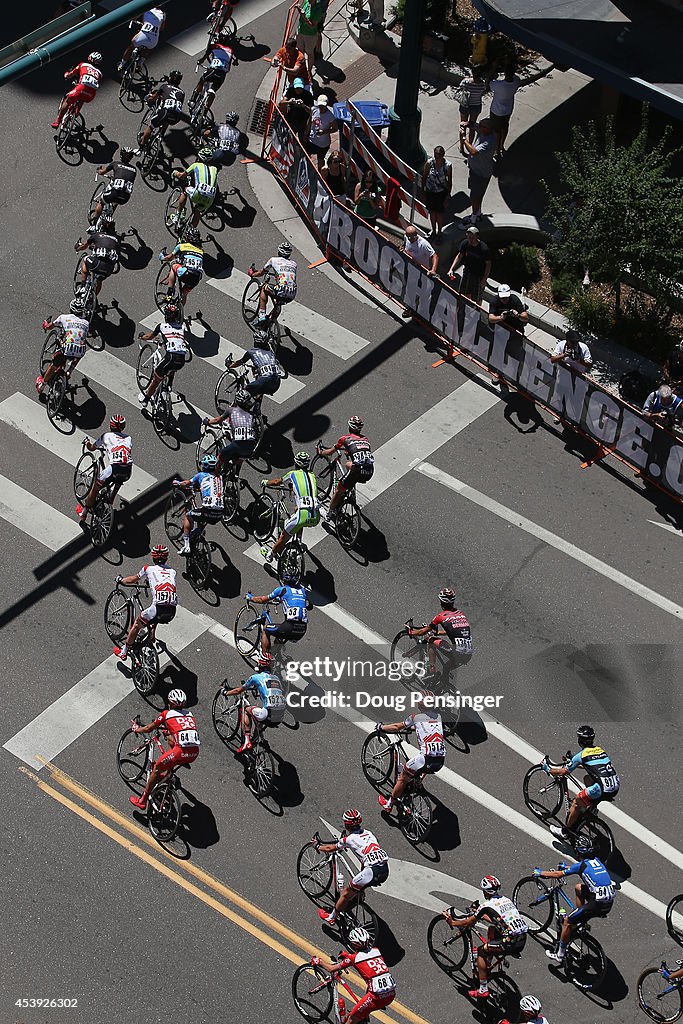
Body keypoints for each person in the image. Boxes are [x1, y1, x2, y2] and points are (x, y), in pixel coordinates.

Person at [442, 876, 527, 999]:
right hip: (522, 939)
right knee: (492, 930)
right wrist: (480, 915)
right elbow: (498, 920)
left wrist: (452, 923)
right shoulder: (506, 900)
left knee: (481, 952)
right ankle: (488, 962)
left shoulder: (486, 905)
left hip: (509, 942)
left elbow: (468, 923)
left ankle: (483, 989)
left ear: (485, 891)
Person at [535, 840, 615, 963]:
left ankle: (559, 955)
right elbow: (578, 868)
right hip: (608, 901)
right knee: (579, 888)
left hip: (597, 904)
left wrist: (540, 873)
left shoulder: (581, 865)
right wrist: (567, 867)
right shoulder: (596, 861)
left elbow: (557, 875)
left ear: (579, 853)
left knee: (567, 922)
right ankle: (580, 922)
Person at [128, 688, 199, 811]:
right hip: (194, 753)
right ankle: (167, 775)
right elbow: (176, 734)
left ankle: (142, 801)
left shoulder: (167, 714)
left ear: (170, 703)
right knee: (171, 747)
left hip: (180, 752)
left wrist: (136, 729)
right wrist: (167, 732)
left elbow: (149, 728)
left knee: (156, 768)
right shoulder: (190, 715)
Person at [546, 725, 620, 842]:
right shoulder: (600, 750)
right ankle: (591, 807)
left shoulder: (582, 755)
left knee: (576, 802)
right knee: (587, 778)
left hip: (600, 788)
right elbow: (588, 765)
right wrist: (573, 762)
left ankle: (565, 832)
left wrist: (548, 769)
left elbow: (563, 772)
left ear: (580, 740)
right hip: (614, 786)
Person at [316, 810, 389, 926]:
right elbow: (365, 858)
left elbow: (331, 848)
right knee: (359, 883)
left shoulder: (348, 839)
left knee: (345, 893)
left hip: (371, 872)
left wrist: (318, 846)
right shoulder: (369, 833)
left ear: (346, 824)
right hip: (384, 870)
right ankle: (358, 894)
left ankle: (332, 917)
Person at [377, 692, 445, 813]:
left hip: (425, 759)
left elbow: (397, 727)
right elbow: (426, 726)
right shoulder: (438, 717)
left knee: (403, 777)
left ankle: (389, 803)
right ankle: (415, 784)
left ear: (419, 704)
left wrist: (381, 728)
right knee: (417, 770)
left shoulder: (415, 718)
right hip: (440, 761)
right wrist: (414, 728)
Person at [311, 928, 396, 1024]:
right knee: (370, 986)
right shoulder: (376, 951)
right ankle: (363, 1015)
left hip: (376, 997)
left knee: (351, 1019)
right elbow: (366, 960)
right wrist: (347, 956)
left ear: (353, 944)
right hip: (391, 994)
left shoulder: (354, 958)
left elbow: (331, 969)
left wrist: (319, 961)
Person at [113, 544, 177, 660]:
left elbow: (133, 579)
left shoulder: (148, 569)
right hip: (172, 612)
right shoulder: (172, 572)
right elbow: (161, 578)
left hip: (157, 609)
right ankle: (151, 635)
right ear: (166, 558)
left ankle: (124, 651)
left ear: (153, 558)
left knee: (137, 625)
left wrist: (121, 580)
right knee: (157, 613)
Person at [259, 451, 320, 563]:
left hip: (302, 516)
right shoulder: (312, 476)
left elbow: (278, 481)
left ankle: (270, 555)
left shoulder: (293, 474)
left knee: (284, 537)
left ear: (296, 464)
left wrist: (267, 482)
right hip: (316, 517)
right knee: (298, 511)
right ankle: (298, 541)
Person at [220, 652, 286, 753]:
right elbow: (272, 692)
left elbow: (239, 691)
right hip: (280, 715)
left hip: (268, 713)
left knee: (247, 709)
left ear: (259, 665)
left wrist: (225, 693)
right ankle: (255, 739)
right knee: (259, 716)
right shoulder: (276, 679)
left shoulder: (256, 677)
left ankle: (247, 741)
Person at [403, 587, 472, 676]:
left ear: (441, 602)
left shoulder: (441, 616)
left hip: (457, 653)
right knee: (446, 668)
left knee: (431, 640)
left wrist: (410, 632)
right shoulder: (461, 615)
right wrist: (438, 633)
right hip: (468, 655)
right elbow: (454, 631)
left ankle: (432, 671)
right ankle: (443, 686)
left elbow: (423, 632)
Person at [76, 414, 132, 525]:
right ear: (123, 427)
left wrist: (87, 442)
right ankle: (111, 498)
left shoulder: (106, 436)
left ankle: (84, 512)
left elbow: (92, 448)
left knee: (95, 488)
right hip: (128, 471)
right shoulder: (129, 439)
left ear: (110, 426)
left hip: (114, 468)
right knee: (120, 476)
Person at [317, 416, 374, 521]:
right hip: (369, 471)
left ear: (349, 427)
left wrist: (320, 452)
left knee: (339, 489)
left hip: (356, 471)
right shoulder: (366, 440)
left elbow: (330, 452)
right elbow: (360, 452)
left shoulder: (345, 439)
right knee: (348, 463)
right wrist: (349, 451)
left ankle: (329, 514)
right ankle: (351, 490)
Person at [137, 302, 188, 406]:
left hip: (170, 358)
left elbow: (150, 337)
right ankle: (169, 385)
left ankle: (145, 399)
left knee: (156, 380)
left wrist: (142, 336)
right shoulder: (182, 327)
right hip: (182, 359)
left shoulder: (162, 326)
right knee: (173, 367)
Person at [172, 455, 225, 556]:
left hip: (208, 513)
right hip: (219, 515)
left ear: (204, 466)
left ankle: (186, 546)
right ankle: (198, 532)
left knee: (188, 516)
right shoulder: (219, 477)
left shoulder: (201, 475)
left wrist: (178, 483)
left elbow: (187, 483)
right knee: (200, 513)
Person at [246, 578, 309, 654]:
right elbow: (308, 606)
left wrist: (251, 598)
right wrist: (281, 599)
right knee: (279, 635)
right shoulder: (303, 591)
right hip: (302, 630)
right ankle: (275, 653)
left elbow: (263, 599)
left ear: (283, 580)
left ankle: (264, 660)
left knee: (266, 630)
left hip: (289, 627)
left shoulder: (282, 590)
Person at [36, 311, 90, 396]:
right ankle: (69, 371)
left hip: (68, 347)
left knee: (55, 363)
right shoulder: (86, 323)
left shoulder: (64, 317)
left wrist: (45, 326)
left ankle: (42, 385)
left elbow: (49, 326)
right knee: (78, 352)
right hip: (80, 350)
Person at [205, 388, 257, 475]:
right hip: (251, 446)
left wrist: (207, 421)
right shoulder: (250, 416)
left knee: (220, 458)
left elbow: (218, 420)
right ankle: (236, 474)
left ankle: (214, 477)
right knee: (240, 457)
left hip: (238, 444)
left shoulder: (231, 410)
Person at [225, 328, 281, 401]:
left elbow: (240, 362)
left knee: (242, 395)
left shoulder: (252, 352)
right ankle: (257, 407)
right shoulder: (271, 353)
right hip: (276, 383)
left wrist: (230, 365)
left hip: (265, 381)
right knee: (260, 382)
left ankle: (237, 410)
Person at [51, 52, 102, 129]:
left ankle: (57, 121)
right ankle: (76, 112)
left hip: (81, 88)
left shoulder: (83, 65)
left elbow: (71, 74)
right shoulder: (100, 73)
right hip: (91, 95)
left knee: (68, 100)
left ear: (89, 58)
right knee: (82, 98)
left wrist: (66, 75)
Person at [251, 241, 298, 323]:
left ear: (278, 252)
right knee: (278, 302)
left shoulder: (273, 260)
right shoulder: (294, 264)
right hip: (292, 293)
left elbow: (261, 273)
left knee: (264, 288)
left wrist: (252, 274)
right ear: (289, 254)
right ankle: (270, 324)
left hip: (280, 289)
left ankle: (262, 316)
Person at [139, 70, 184, 150]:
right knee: (168, 118)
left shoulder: (164, 86)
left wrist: (147, 99)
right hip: (176, 117)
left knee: (151, 127)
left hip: (165, 113)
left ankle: (141, 147)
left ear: (170, 78)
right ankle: (161, 134)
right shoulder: (182, 93)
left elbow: (153, 98)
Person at [190, 32, 235, 114]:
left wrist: (200, 61)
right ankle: (205, 112)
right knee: (212, 91)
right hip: (222, 75)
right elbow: (228, 68)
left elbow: (203, 58)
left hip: (213, 70)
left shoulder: (214, 46)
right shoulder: (231, 51)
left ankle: (193, 100)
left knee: (202, 80)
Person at [74, 220, 120, 299]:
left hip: (97, 264)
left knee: (85, 259)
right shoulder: (116, 239)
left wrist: (78, 249)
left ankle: (83, 286)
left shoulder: (97, 235)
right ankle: (92, 298)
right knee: (99, 280)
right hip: (109, 268)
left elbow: (84, 246)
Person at [461, 118, 495, 224]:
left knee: (475, 196)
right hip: (475, 170)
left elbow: (473, 151)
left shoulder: (489, 141)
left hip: (481, 174)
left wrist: (464, 138)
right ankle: (478, 213)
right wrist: (465, 124)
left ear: (487, 129)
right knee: (476, 195)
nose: (479, 127)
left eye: (482, 126)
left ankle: (473, 219)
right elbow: (474, 125)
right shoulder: (483, 130)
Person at [173, 152, 218, 229]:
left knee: (185, 191)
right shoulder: (215, 169)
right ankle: (190, 231)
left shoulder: (196, 165)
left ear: (199, 158)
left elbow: (181, 176)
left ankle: (177, 214)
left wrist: (175, 173)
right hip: (210, 199)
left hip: (198, 194)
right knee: (197, 212)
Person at [159, 227, 204, 306]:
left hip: (186, 273)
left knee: (173, 266)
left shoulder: (182, 246)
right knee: (184, 293)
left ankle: (169, 294)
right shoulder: (201, 251)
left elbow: (169, 258)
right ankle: (179, 312)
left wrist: (162, 257)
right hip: (197, 277)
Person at [400, 226, 438, 319]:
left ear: (416, 235)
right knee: (410, 291)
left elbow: (435, 256)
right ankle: (411, 308)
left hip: (422, 273)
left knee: (423, 294)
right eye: (408, 237)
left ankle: (422, 313)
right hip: (410, 270)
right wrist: (402, 248)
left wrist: (433, 270)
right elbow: (405, 245)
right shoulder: (406, 237)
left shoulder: (424, 244)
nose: (410, 239)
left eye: (411, 237)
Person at [447, 225, 491, 305]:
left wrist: (484, 279)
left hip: (479, 275)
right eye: (469, 237)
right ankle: (465, 306)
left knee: (478, 296)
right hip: (467, 272)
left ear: (477, 236)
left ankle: (476, 310)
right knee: (464, 291)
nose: (470, 240)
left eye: (472, 237)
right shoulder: (465, 243)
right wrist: (451, 269)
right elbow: (459, 256)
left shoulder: (484, 249)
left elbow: (488, 264)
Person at [92, 148, 137, 222]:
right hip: (125, 198)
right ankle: (109, 216)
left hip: (114, 193)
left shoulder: (115, 164)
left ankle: (94, 223)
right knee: (116, 201)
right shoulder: (134, 170)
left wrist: (98, 171)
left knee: (102, 202)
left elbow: (102, 172)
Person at [489, 64, 521, 159]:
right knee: (505, 127)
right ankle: (501, 146)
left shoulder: (498, 85)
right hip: (508, 110)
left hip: (496, 111)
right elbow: (515, 77)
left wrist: (494, 68)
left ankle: (497, 150)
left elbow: (490, 82)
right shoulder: (516, 82)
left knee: (496, 131)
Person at [421, 146, 452, 241]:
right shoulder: (429, 163)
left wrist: (447, 196)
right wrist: (423, 192)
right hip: (430, 192)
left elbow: (449, 181)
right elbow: (424, 177)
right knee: (432, 213)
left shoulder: (447, 166)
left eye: (438, 156)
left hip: (440, 193)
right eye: (435, 155)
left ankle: (439, 232)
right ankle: (434, 231)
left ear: (443, 156)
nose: (436, 158)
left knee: (439, 214)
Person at [458, 66, 487, 152]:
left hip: (465, 105)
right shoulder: (482, 84)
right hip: (476, 106)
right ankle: (469, 145)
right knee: (472, 126)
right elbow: (483, 91)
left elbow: (460, 88)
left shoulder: (466, 82)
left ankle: (462, 147)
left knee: (463, 126)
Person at [307, 94, 338, 169]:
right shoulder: (313, 109)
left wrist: (324, 132)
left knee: (320, 160)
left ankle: (319, 175)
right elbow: (309, 121)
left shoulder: (330, 116)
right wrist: (306, 133)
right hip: (312, 140)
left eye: (323, 106)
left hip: (323, 144)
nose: (321, 108)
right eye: (320, 105)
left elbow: (335, 128)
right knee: (307, 155)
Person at [279, 78, 314, 144]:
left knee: (302, 137)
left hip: (302, 120)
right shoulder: (290, 91)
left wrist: (303, 105)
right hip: (291, 117)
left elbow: (311, 111)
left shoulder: (308, 95)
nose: (298, 90)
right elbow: (281, 103)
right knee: (289, 134)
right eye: (297, 88)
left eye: (300, 88)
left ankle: (302, 147)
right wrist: (289, 101)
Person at [297, 0, 328, 74]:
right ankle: (301, 68)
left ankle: (308, 71)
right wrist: (299, 9)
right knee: (300, 52)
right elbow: (302, 13)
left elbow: (312, 26)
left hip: (310, 35)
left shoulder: (318, 10)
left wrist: (304, 17)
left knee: (309, 53)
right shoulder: (306, 2)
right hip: (300, 31)